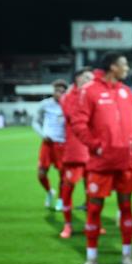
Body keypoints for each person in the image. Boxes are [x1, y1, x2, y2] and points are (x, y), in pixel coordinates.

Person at [72, 52, 132, 264]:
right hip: (100, 163)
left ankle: (127, 256)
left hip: (125, 162)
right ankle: (91, 259)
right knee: (93, 210)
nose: (127, 68)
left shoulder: (126, 91)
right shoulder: (90, 90)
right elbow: (79, 123)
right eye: (124, 64)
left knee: (126, 208)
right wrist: (96, 146)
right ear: (113, 67)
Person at [58, 67, 93, 239]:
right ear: (77, 79)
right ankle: (68, 225)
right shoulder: (68, 98)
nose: (90, 81)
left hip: (93, 152)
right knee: (68, 188)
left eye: (91, 78)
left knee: (92, 192)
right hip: (75, 151)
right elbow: (71, 117)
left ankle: (92, 224)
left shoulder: (94, 96)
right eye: (86, 77)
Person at [32, 79, 68, 210]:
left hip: (63, 145)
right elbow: (35, 121)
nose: (60, 93)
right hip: (47, 143)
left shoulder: (68, 105)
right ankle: (49, 192)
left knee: (63, 175)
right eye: (57, 90)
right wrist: (42, 134)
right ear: (53, 91)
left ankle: (61, 199)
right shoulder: (45, 104)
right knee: (41, 173)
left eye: (63, 91)